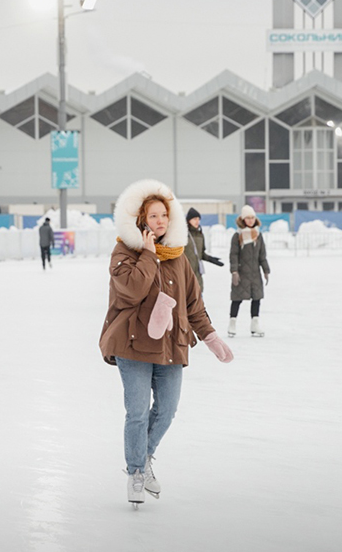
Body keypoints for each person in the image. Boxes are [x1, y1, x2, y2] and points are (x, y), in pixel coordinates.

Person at [99, 179, 233, 508]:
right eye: (153, 216)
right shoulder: (124, 253)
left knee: (167, 410)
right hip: (133, 346)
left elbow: (192, 304)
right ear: (140, 220)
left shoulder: (179, 257)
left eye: (164, 215)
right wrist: (147, 254)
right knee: (137, 413)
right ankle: (135, 473)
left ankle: (143, 457)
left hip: (171, 347)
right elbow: (131, 289)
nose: (160, 221)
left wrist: (210, 336)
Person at [229, 205, 270, 337]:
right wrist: (234, 271)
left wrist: (266, 270)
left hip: (255, 273)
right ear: (243, 219)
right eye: (248, 218)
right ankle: (232, 323)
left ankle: (254, 324)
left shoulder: (258, 235)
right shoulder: (237, 236)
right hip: (242, 273)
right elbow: (233, 255)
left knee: (256, 299)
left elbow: (262, 255)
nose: (251, 220)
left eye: (253, 217)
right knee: (237, 299)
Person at [183, 207, 223, 294]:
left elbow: (200, 254)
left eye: (198, 219)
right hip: (185, 274)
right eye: (194, 219)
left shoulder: (200, 234)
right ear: (188, 220)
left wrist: (211, 259)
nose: (197, 221)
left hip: (197, 274)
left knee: (199, 301)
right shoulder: (183, 234)